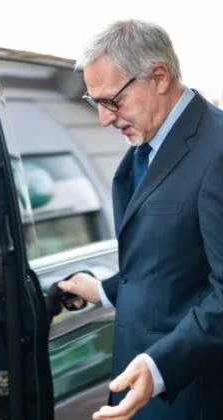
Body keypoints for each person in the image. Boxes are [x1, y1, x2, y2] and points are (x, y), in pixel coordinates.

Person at [57, 20, 223, 420]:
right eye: (93, 101)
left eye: (111, 101)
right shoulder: (147, 143)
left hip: (188, 396)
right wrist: (107, 290)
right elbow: (172, 257)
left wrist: (159, 366)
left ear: (159, 77)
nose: (103, 118)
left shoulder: (218, 149)